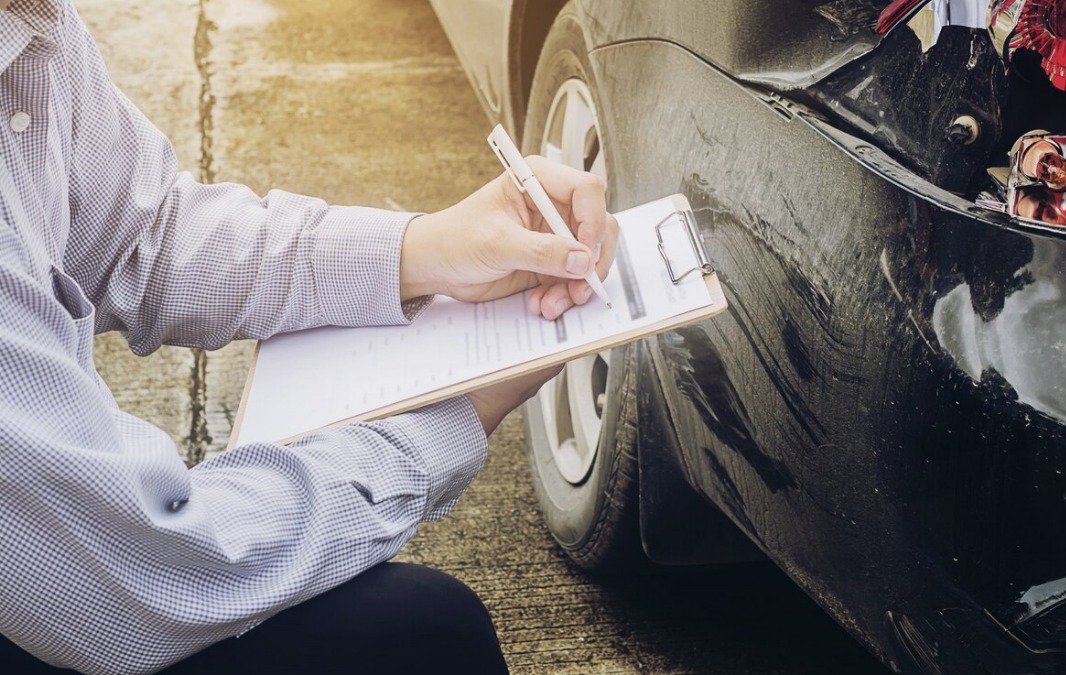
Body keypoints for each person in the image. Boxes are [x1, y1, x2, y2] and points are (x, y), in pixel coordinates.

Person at [0, 1, 619, 673]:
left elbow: (141, 237)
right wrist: (451, 415)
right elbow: (143, 572)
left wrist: (427, 247)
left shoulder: (31, 28)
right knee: (426, 637)